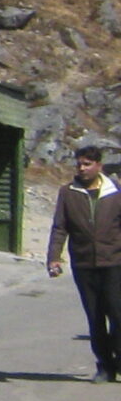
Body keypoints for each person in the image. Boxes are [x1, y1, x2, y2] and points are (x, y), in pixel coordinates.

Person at [47, 144, 121, 381]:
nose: (82, 168)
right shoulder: (68, 192)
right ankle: (105, 366)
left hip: (114, 262)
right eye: (79, 164)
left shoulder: (116, 191)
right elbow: (60, 227)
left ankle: (119, 358)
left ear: (99, 166)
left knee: (118, 315)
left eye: (87, 164)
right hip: (84, 264)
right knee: (95, 317)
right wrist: (54, 258)